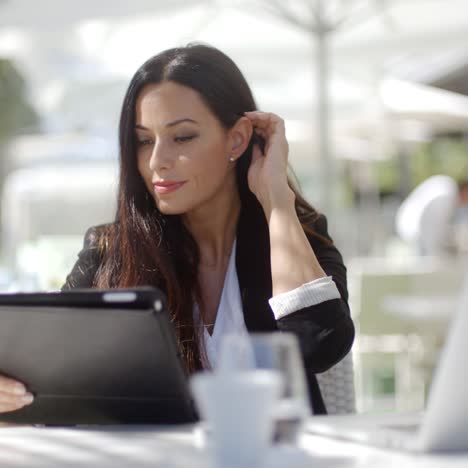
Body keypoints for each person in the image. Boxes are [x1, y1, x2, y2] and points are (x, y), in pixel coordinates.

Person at [0, 43, 354, 416]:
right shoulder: (111, 252)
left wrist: (276, 202)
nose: (157, 162)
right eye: (143, 140)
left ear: (236, 139)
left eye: (182, 137)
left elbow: (320, 344)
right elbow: (49, 373)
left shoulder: (293, 236)